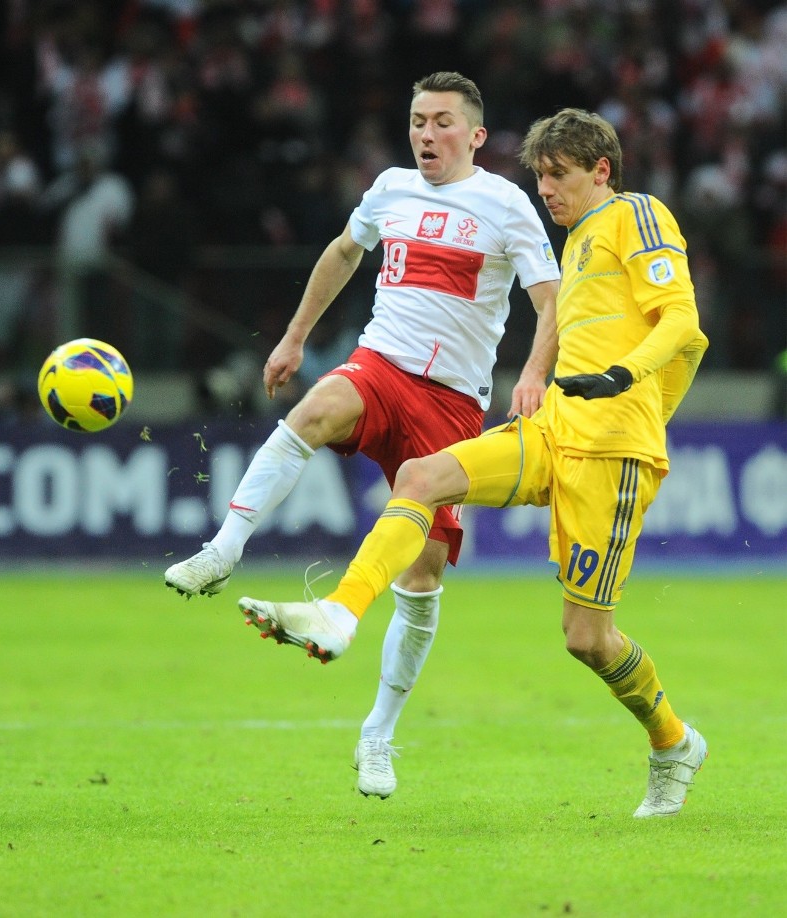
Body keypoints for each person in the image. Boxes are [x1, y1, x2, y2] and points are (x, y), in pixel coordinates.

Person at [237, 108, 710, 819]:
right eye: (540, 176)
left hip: (613, 452)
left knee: (587, 638)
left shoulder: (637, 215)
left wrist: (632, 391)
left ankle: (673, 743)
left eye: (560, 176)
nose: (546, 190)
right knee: (421, 478)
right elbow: (688, 350)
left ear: (602, 170)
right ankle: (340, 613)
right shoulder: (578, 241)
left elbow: (683, 325)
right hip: (554, 429)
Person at [164, 72, 560, 797]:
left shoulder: (506, 205)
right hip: (382, 365)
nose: (426, 134)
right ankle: (222, 552)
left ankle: (377, 735)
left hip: (451, 404)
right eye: (417, 121)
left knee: (424, 578)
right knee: (313, 411)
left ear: (474, 135)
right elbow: (344, 252)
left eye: (442, 122)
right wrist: (293, 338)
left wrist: (534, 372)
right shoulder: (389, 189)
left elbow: (548, 296)